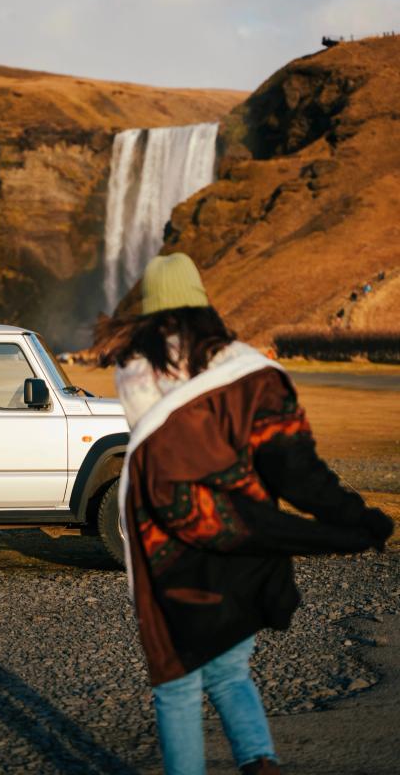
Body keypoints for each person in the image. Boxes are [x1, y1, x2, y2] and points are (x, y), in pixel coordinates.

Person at [93, 253, 393, 775]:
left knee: (178, 686)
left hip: (169, 553)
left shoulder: (131, 373)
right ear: (202, 302)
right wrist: (356, 517)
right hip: (241, 547)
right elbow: (297, 471)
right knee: (231, 670)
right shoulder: (249, 372)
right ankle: (261, 765)